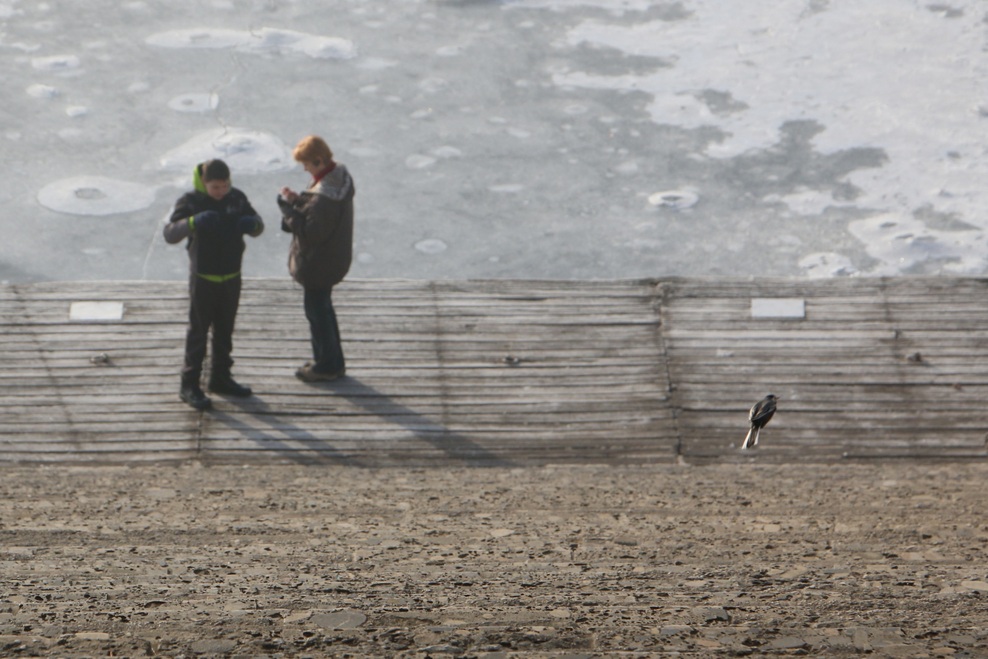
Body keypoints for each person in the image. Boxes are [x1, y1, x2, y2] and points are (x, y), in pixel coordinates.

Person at [164, 159, 264, 410]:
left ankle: (220, 378)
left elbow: (259, 225)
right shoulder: (190, 202)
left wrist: (251, 225)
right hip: (203, 278)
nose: (221, 192)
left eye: (225, 186)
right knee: (198, 331)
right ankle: (189, 385)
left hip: (231, 276)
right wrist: (193, 222)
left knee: (225, 330)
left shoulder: (237, 198)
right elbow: (170, 234)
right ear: (204, 183)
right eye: (215, 187)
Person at [277, 135, 354, 382]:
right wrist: (299, 201)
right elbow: (319, 216)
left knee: (318, 314)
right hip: (332, 259)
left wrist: (288, 211)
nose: (305, 169)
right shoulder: (338, 181)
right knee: (324, 311)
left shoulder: (324, 198)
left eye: (307, 164)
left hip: (318, 265)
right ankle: (330, 360)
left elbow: (311, 233)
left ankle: (327, 366)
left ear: (319, 160)